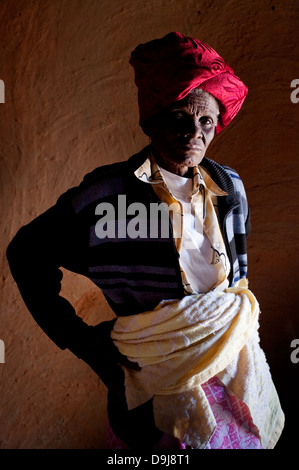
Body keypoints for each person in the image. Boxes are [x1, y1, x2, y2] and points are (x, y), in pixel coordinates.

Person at [6, 32, 284, 450]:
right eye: (178, 117)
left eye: (206, 121)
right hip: (152, 387)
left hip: (233, 372)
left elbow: (235, 283)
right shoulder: (107, 196)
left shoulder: (230, 187)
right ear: (151, 119)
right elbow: (26, 252)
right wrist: (81, 340)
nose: (195, 132)